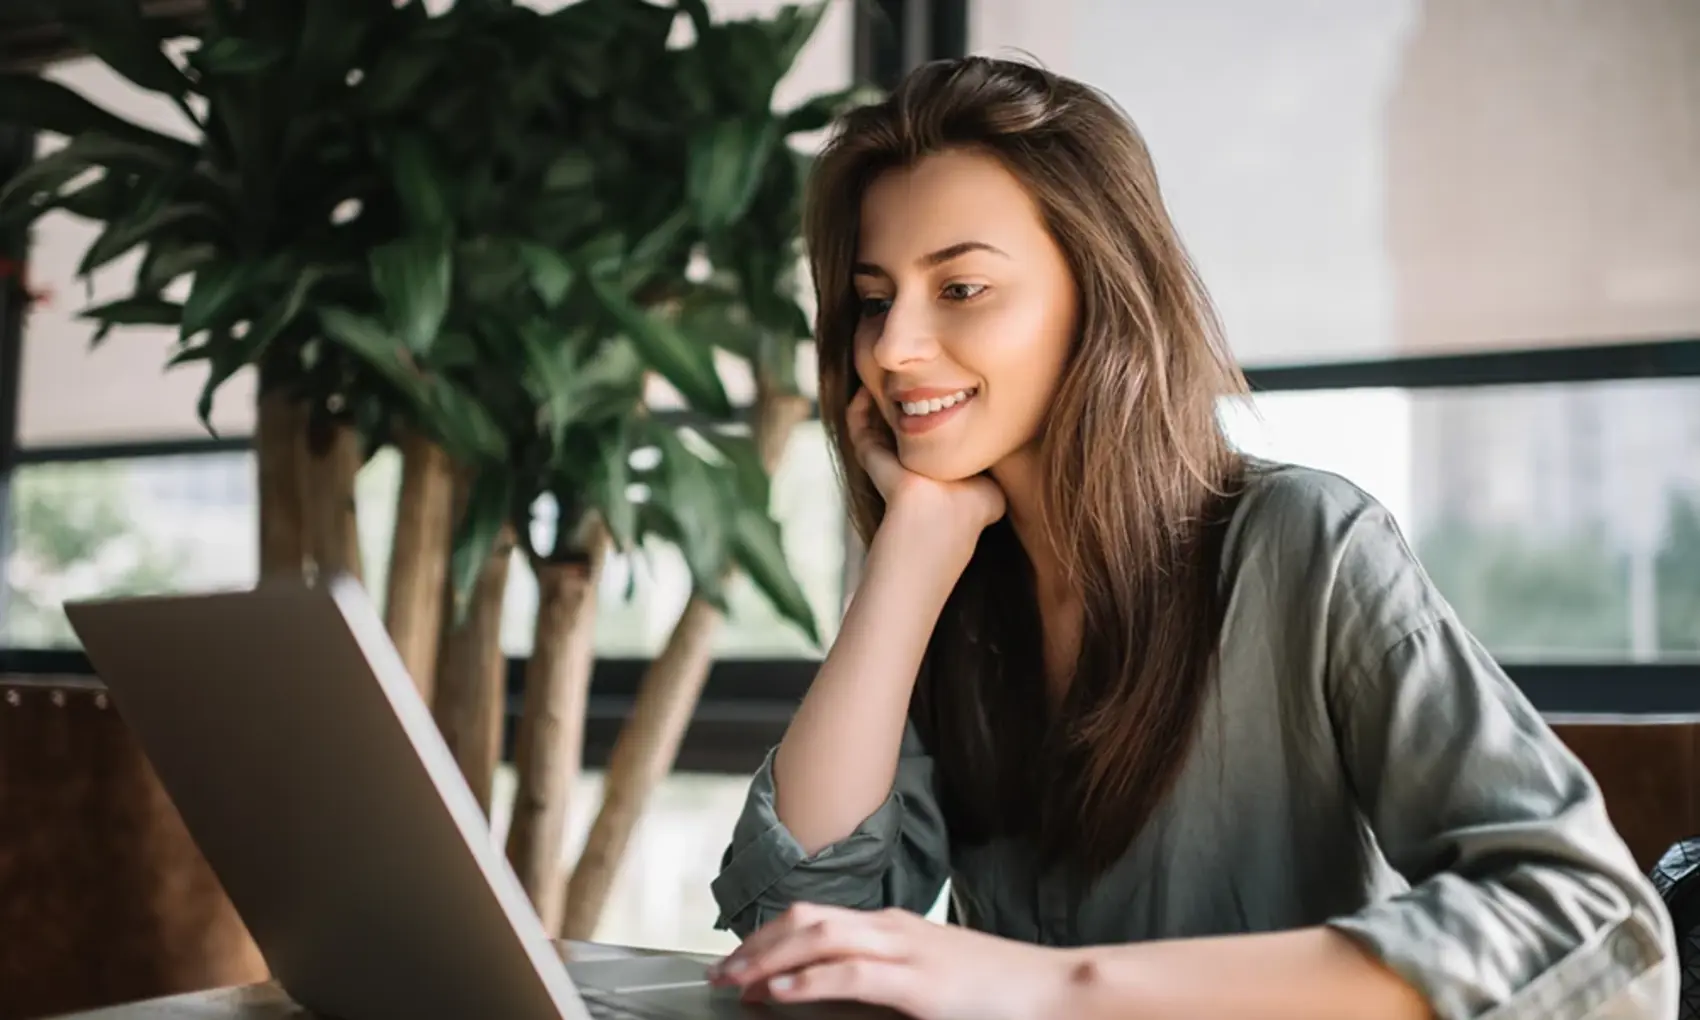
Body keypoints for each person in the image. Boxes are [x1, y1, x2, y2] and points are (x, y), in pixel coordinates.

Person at [704, 56, 1676, 1019]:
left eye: (958, 289)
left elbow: (1584, 919)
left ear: (1101, 296)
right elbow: (790, 938)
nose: (889, 348)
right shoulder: (953, 586)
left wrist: (1055, 988)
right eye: (874, 300)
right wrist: (908, 560)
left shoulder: (1308, 547)